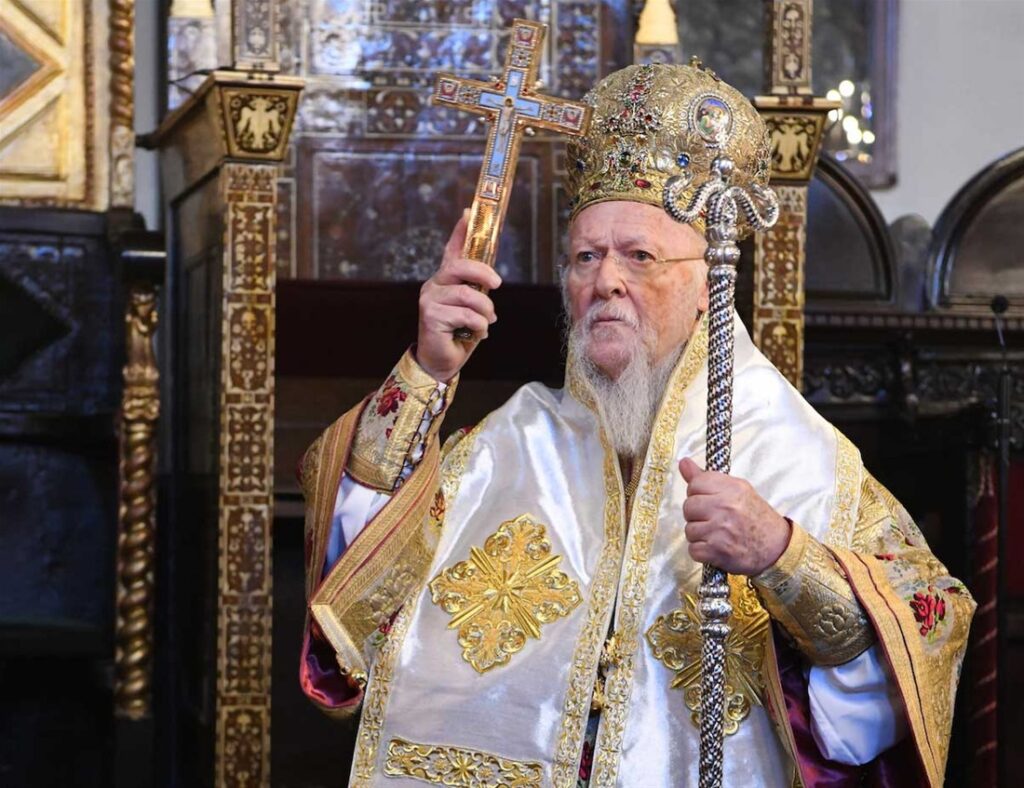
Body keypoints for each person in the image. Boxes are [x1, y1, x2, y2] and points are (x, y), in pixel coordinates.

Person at [298, 63, 973, 787]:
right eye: (585, 257)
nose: (605, 281)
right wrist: (427, 373)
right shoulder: (512, 442)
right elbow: (361, 581)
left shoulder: (798, 455)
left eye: (640, 257)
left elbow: (926, 628)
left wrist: (782, 555)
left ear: (708, 284)